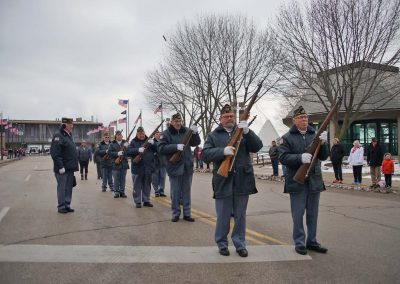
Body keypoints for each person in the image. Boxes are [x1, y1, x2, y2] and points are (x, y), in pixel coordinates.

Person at [201, 104, 263, 257]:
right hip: (223, 181)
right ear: (220, 119)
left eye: (231, 116)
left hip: (243, 180)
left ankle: (240, 244)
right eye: (226, 116)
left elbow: (257, 146)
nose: (229, 118)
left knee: (240, 216)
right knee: (223, 215)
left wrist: (248, 131)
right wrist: (222, 151)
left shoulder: (244, 132)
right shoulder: (213, 135)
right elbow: (205, 154)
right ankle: (222, 243)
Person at [279, 106, 329, 255]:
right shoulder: (287, 137)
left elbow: (323, 156)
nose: (304, 120)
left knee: (313, 214)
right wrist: (299, 157)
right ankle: (300, 242)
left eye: (306, 117)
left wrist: (324, 143)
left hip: (314, 180)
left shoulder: (315, 135)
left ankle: (312, 241)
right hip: (297, 180)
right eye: (301, 118)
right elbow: (282, 157)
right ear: (294, 120)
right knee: (298, 213)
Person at [158, 113, 201, 222]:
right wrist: (175, 146)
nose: (178, 123)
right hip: (174, 166)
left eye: (179, 121)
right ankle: (175, 213)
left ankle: (187, 213)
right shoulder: (166, 134)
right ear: (172, 122)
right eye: (176, 121)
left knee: (187, 191)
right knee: (175, 192)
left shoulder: (187, 131)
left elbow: (196, 143)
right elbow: (161, 148)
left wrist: (195, 133)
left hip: (187, 166)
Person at [50, 117, 79, 214]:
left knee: (68, 187)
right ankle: (61, 206)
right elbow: (55, 153)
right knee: (62, 187)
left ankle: (67, 204)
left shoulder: (69, 135)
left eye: (72, 124)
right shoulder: (58, 135)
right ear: (65, 125)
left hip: (70, 167)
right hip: (62, 168)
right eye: (70, 125)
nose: (72, 126)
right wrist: (60, 166)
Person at [126, 126, 157, 208]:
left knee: (147, 185)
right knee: (137, 185)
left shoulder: (150, 141)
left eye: (142, 133)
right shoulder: (133, 142)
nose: (142, 135)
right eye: (140, 134)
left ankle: (146, 200)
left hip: (148, 167)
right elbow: (128, 152)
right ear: (137, 134)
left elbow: (158, 148)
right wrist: (138, 150)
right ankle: (138, 201)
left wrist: (154, 143)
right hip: (138, 167)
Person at [108, 130, 129, 198]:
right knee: (116, 179)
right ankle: (116, 192)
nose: (119, 136)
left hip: (124, 164)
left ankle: (122, 192)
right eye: (118, 135)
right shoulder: (112, 144)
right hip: (115, 164)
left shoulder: (125, 143)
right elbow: (109, 153)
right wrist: (117, 153)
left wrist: (127, 147)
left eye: (120, 135)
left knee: (123, 179)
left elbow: (129, 152)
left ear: (122, 136)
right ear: (115, 136)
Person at [151, 130, 167, 197]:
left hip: (162, 162)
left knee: (162, 177)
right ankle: (156, 190)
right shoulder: (151, 142)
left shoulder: (163, 141)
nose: (158, 135)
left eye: (159, 134)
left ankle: (161, 190)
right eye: (157, 134)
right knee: (155, 178)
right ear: (154, 135)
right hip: (155, 162)